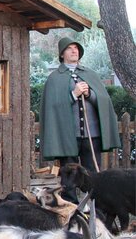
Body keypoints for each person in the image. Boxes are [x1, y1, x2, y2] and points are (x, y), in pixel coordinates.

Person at [40, 37, 120, 201]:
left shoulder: (90, 74)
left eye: (76, 48)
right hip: (67, 138)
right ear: (62, 54)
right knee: (69, 175)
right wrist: (73, 94)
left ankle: (95, 206)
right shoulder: (55, 78)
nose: (74, 51)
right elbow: (52, 107)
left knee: (92, 174)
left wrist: (90, 94)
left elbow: (104, 101)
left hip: (92, 136)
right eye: (69, 48)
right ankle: (70, 208)